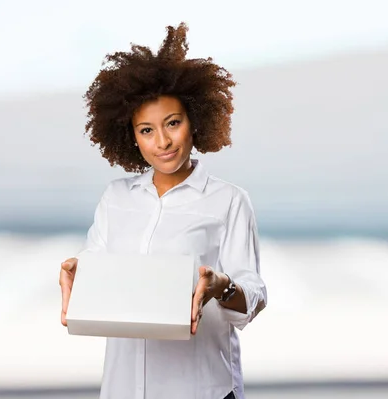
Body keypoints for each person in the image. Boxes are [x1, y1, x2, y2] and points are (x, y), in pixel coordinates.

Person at [58, 23, 267, 399]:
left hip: (201, 389)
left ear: (195, 121)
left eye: (173, 123)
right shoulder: (116, 197)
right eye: (146, 130)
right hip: (123, 390)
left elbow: (251, 298)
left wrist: (220, 285)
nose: (163, 142)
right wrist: (78, 272)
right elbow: (98, 267)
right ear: (130, 135)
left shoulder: (229, 201)